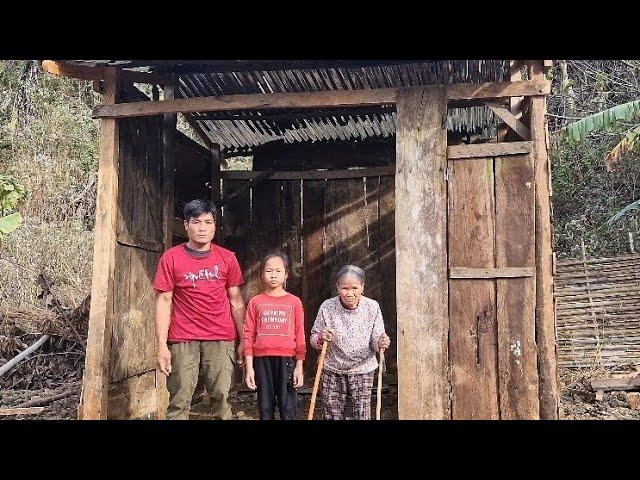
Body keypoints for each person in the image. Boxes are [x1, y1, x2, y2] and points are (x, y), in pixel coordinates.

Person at [153, 198, 246, 420]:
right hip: (183, 337)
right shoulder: (171, 258)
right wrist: (161, 346)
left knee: (222, 397)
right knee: (180, 398)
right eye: (196, 222)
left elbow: (236, 301)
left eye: (208, 222)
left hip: (221, 336)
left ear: (215, 225)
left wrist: (244, 340)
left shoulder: (227, 258)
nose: (202, 228)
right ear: (186, 225)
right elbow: (164, 302)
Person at [310, 264, 390, 420]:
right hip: (333, 367)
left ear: (362, 287)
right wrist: (321, 337)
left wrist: (381, 342)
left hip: (363, 368)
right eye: (345, 288)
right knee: (332, 413)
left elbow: (376, 340)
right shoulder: (327, 307)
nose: (350, 293)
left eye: (354, 288)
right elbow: (314, 338)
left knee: (362, 413)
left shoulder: (372, 307)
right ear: (337, 287)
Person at [243, 252, 305, 420]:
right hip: (262, 361)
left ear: (286, 274)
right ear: (262, 274)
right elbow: (248, 335)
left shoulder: (294, 302)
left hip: (287, 359)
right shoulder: (255, 302)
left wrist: (299, 366)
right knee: (265, 407)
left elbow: (300, 334)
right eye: (269, 271)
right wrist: (249, 368)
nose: (273, 275)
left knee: (288, 408)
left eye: (278, 271)